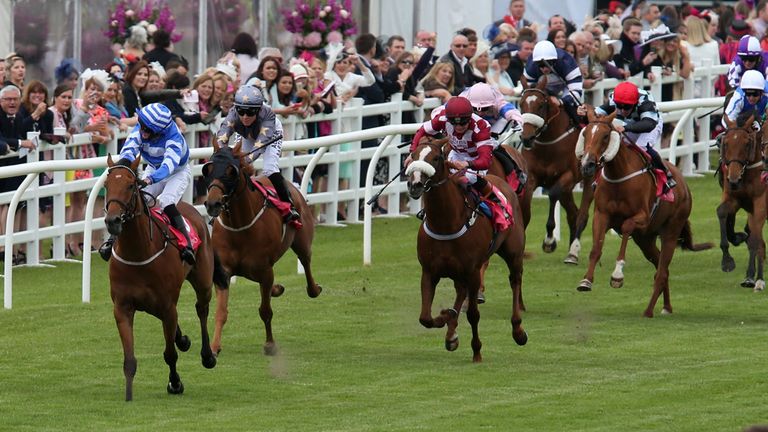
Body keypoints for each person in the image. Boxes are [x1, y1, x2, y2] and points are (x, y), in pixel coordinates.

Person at [98, 103, 196, 265]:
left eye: (148, 130)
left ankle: (187, 244)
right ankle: (113, 239)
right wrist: (121, 166)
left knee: (166, 202)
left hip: (176, 173)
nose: (142, 131)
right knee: (138, 201)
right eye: (142, 126)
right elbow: (128, 151)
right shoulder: (140, 130)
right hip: (153, 167)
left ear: (160, 131)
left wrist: (149, 179)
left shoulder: (174, 139)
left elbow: (168, 166)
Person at [215, 85, 300, 223]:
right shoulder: (232, 114)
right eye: (241, 111)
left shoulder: (268, 116)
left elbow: (258, 147)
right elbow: (222, 136)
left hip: (270, 135)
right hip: (247, 134)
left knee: (269, 169)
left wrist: (241, 160)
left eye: (250, 112)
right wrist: (222, 155)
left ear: (259, 109)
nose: (245, 116)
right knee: (236, 169)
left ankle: (289, 205)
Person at [579, 81, 676, 192]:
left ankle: (665, 174)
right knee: (615, 146)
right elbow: (596, 116)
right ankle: (599, 178)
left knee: (641, 146)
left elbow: (649, 124)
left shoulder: (645, 101)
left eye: (627, 107)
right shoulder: (613, 99)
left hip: (650, 124)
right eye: (619, 106)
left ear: (635, 103)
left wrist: (627, 128)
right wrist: (583, 112)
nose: (623, 110)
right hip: (628, 123)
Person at [407, 97, 502, 204]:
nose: (458, 127)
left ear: (470, 118)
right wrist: (412, 153)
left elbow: (485, 161)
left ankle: (495, 201)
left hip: (475, 159)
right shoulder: (442, 118)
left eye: (463, 123)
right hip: (455, 154)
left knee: (470, 178)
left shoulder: (480, 127)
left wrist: (467, 163)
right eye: (454, 123)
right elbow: (422, 131)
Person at [460, 82, 526, 193]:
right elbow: (443, 109)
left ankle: (516, 174)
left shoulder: (497, 101)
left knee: (493, 145)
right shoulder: (462, 98)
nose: (480, 113)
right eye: (475, 108)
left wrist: (516, 119)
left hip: (493, 123)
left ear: (492, 104)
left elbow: (510, 109)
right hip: (469, 124)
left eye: (485, 109)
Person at [523, 39, 583, 132]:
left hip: (565, 88)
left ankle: (580, 126)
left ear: (555, 60)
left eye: (548, 63)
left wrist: (561, 101)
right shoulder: (531, 67)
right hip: (543, 89)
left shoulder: (566, 62)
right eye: (541, 65)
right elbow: (530, 93)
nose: (545, 68)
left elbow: (577, 91)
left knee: (572, 108)